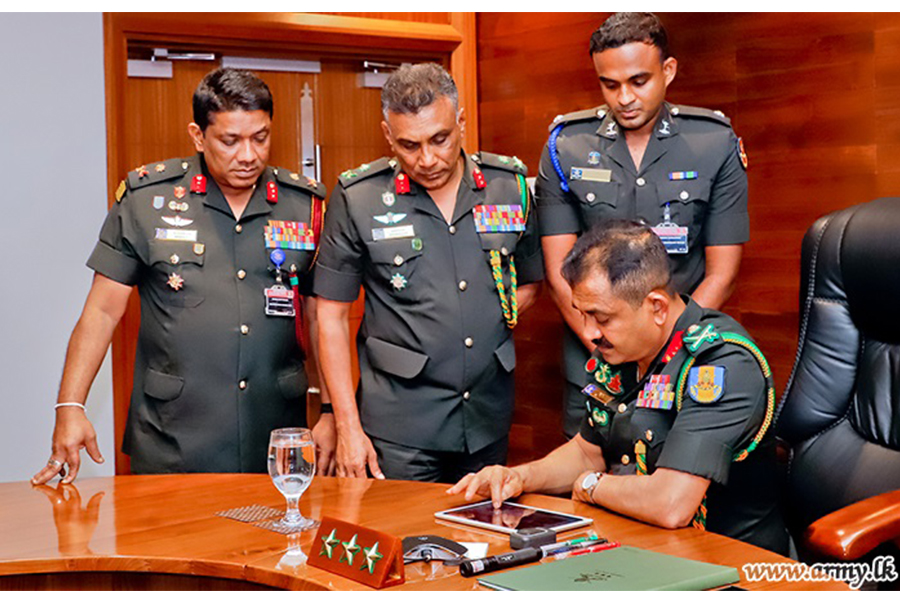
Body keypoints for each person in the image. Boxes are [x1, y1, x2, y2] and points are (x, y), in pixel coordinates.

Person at [32, 67, 334, 485]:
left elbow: (322, 320)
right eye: (230, 140)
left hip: (276, 438)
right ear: (198, 136)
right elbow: (101, 312)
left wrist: (332, 412)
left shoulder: (305, 205)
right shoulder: (146, 201)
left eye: (260, 137)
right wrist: (70, 406)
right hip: (173, 439)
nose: (248, 155)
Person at [449, 221, 789, 555]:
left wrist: (591, 485)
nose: (590, 332)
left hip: (731, 566)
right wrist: (518, 477)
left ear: (656, 307)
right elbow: (587, 452)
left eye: (602, 318)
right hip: (642, 549)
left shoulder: (719, 366)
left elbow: (671, 503)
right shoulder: (624, 352)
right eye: (582, 314)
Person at [314, 63, 544, 483]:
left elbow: (530, 281)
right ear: (388, 136)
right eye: (409, 145)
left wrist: (484, 320)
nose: (428, 159)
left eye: (440, 139)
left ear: (460, 121)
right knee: (404, 544)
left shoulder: (508, 186)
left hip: (487, 418)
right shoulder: (359, 198)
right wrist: (346, 426)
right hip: (399, 428)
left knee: (481, 544)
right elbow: (328, 316)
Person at [535, 12, 750, 438]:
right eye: (609, 84)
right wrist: (608, 346)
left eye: (639, 81)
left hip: (681, 362)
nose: (624, 98)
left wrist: (662, 353)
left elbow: (722, 273)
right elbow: (560, 274)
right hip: (593, 360)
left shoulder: (713, 143)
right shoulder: (566, 146)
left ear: (667, 71)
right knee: (583, 481)